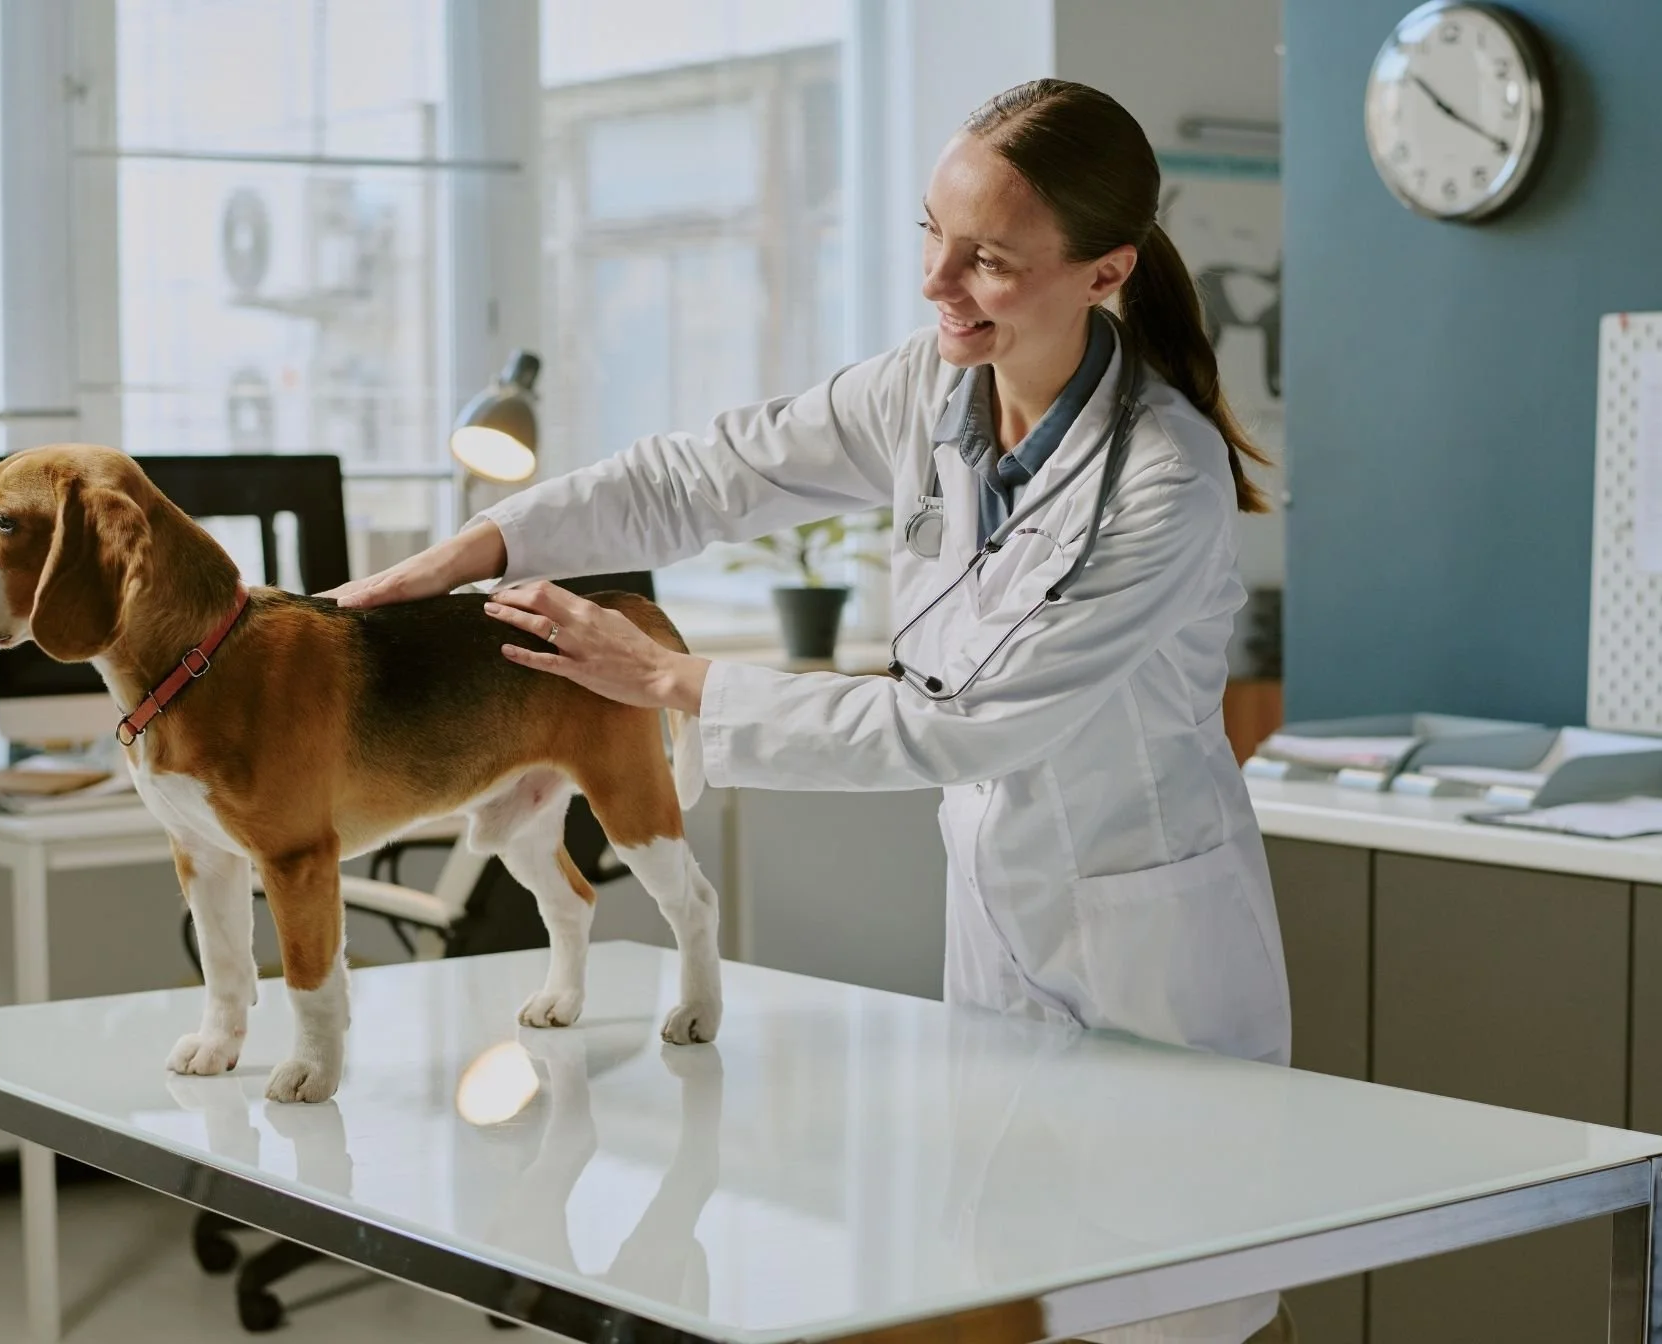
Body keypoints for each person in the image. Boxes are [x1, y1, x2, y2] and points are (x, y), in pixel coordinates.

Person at [329, 79, 1296, 1344]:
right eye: (931, 234)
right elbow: (703, 478)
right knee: (1008, 1276)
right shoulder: (928, 389)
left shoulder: (1162, 480)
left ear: (1105, 272)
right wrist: (474, 549)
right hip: (999, 916)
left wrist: (668, 679)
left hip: (1152, 945)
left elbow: (960, 725)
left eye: (989, 260)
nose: (937, 281)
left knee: (1165, 1303)